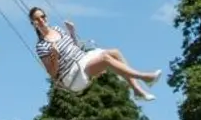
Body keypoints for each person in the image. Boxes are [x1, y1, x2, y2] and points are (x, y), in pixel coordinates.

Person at [29, 7, 161, 101]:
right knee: (105, 58)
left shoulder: (57, 29)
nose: (41, 20)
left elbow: (74, 47)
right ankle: (145, 77)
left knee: (114, 52)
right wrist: (56, 56)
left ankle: (137, 90)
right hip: (72, 74)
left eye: (43, 16)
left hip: (83, 59)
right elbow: (52, 74)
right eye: (37, 19)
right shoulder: (41, 46)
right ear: (33, 24)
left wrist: (72, 32)